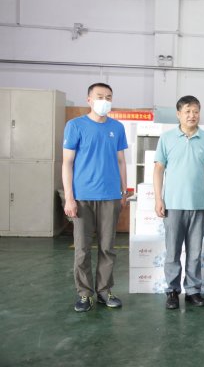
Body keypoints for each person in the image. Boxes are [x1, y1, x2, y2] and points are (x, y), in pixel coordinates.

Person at [63, 82, 128, 312]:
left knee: (107, 247)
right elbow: (67, 163)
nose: (104, 101)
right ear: (89, 99)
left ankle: (104, 291)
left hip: (110, 196)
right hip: (82, 197)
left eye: (108, 97)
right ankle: (84, 294)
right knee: (82, 249)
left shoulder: (117, 127)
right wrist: (69, 198)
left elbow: (121, 161)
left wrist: (124, 190)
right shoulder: (75, 126)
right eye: (100, 96)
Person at [154, 95, 204, 310]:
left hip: (198, 204)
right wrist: (158, 198)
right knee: (172, 251)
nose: (192, 115)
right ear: (178, 114)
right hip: (173, 204)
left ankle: (193, 290)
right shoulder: (167, 138)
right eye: (188, 111)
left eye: (196, 111)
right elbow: (158, 169)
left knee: (195, 252)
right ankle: (172, 291)